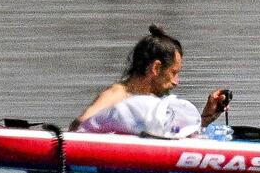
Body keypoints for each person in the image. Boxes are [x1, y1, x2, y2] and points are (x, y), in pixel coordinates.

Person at [71, 24, 232, 138]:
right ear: (156, 68)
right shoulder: (117, 94)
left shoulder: (150, 103)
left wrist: (206, 117)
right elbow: (79, 126)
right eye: (173, 73)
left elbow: (169, 133)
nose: (176, 82)